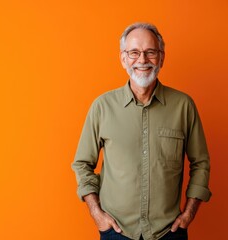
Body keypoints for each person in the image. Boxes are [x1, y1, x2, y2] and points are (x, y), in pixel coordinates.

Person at [71, 22, 211, 240]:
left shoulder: (183, 106)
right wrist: (96, 213)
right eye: (134, 53)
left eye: (150, 52)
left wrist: (188, 214)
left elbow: (201, 162)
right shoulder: (102, 106)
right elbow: (82, 164)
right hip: (116, 232)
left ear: (161, 57)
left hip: (169, 232)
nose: (142, 60)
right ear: (123, 58)